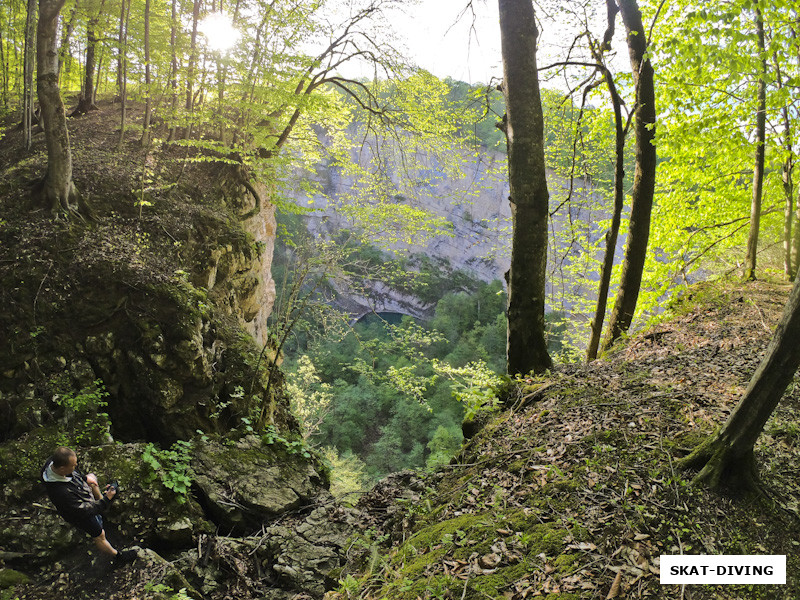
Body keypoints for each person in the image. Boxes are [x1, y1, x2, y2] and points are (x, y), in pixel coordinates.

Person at [41, 446, 136, 565]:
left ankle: (103, 506)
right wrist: (108, 499)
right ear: (62, 469)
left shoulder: (52, 463)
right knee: (99, 534)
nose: (75, 467)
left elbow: (74, 473)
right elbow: (86, 511)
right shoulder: (61, 493)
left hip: (79, 493)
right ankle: (118, 556)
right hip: (79, 513)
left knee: (92, 478)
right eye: (73, 465)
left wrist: (85, 478)